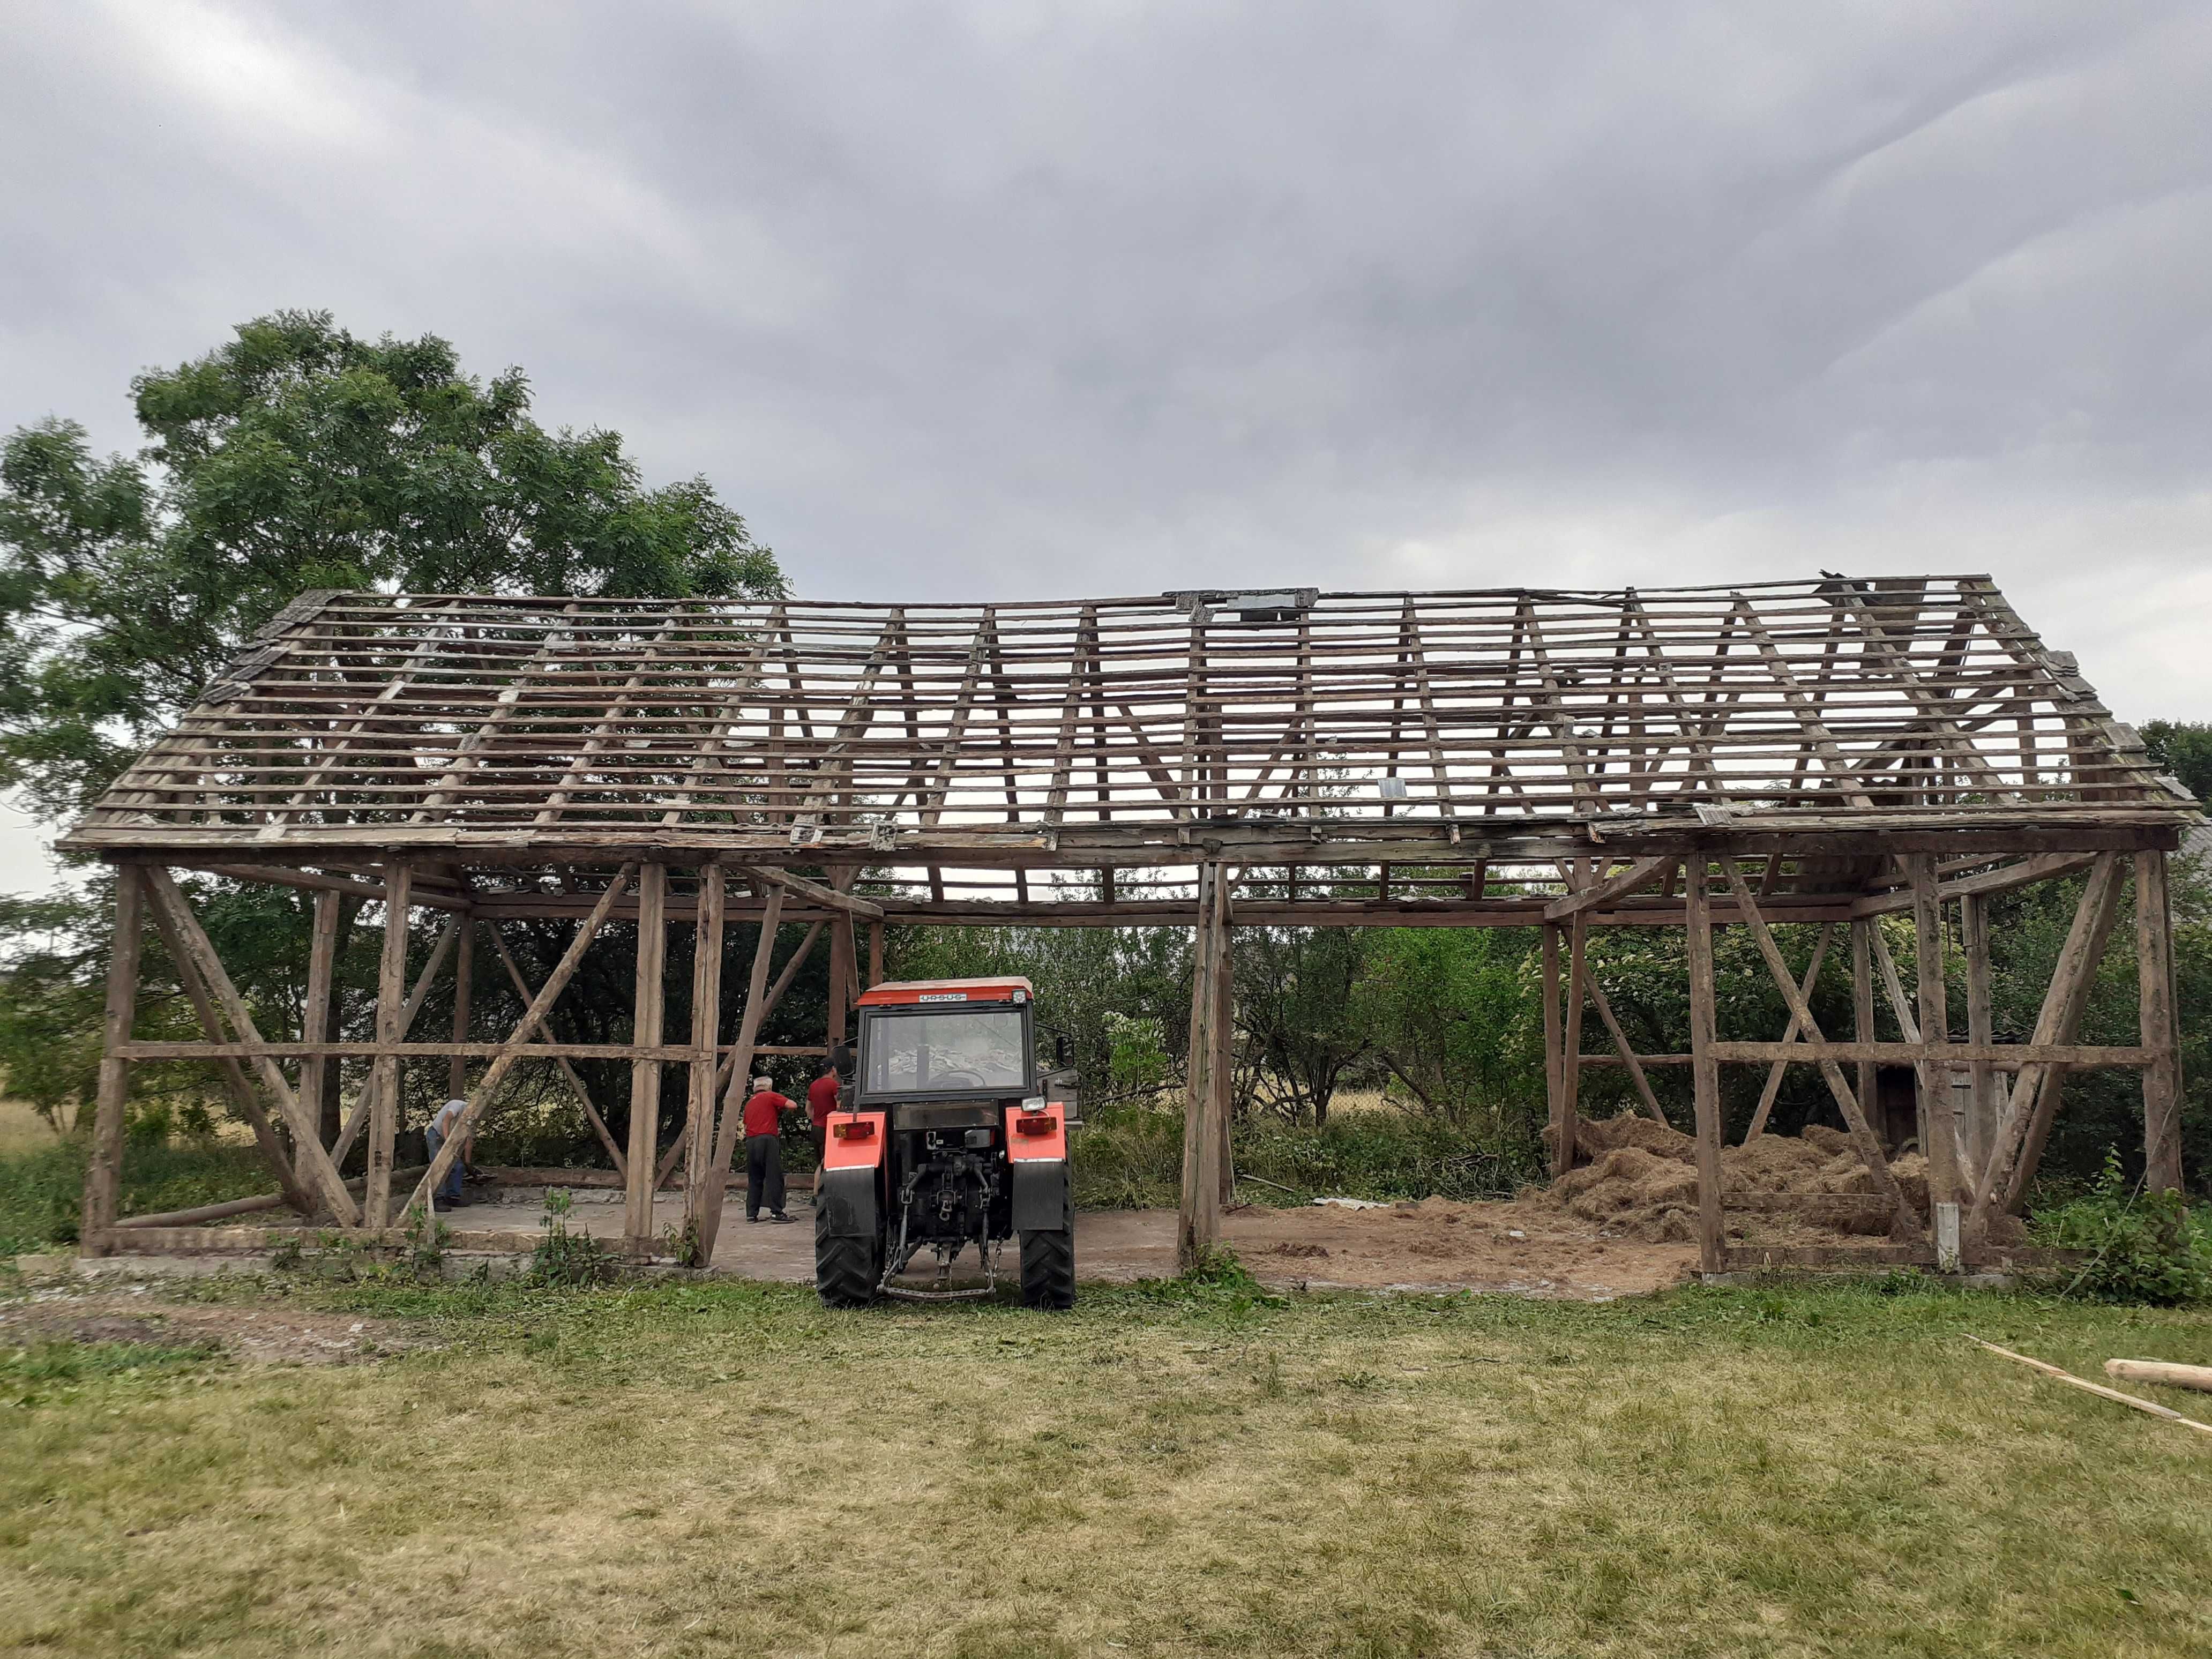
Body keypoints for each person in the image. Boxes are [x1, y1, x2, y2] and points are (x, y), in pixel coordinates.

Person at [741, 1075, 795, 1224]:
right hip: (767, 1140)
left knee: (755, 1178)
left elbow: (746, 1126)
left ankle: (751, 1214)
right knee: (773, 1176)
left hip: (751, 1142)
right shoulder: (770, 1096)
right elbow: (792, 1105)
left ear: (755, 1088)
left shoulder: (749, 1103)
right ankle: (777, 1212)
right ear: (769, 1087)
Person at [425, 1097, 470, 1206]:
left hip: (450, 1139)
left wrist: (468, 1163)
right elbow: (447, 1120)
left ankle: (453, 1197)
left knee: (458, 1167)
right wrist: (448, 1142)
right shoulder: (457, 1105)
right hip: (436, 1135)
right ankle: (438, 1198)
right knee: (439, 1165)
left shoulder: (471, 1118)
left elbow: (469, 1140)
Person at [806, 1063, 842, 1193]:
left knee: (821, 1162)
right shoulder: (833, 1085)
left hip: (816, 1128)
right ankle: (818, 1194)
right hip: (829, 1128)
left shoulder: (813, 1085)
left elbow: (808, 1109)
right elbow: (839, 1106)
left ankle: (816, 1193)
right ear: (833, 1069)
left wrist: (816, 1121)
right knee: (826, 1162)